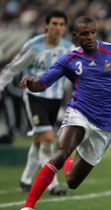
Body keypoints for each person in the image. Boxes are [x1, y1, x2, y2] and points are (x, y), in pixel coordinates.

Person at [15, 15, 111, 210]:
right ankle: (28, 206)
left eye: (92, 32)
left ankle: (70, 162)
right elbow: (42, 84)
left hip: (105, 125)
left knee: (72, 182)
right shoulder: (69, 59)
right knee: (60, 153)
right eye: (84, 33)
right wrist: (31, 83)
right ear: (75, 36)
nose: (90, 37)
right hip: (78, 112)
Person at [0, 10, 74, 195]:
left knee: (39, 140)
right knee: (48, 138)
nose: (57, 28)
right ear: (46, 26)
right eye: (54, 24)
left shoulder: (69, 48)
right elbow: (12, 68)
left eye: (61, 24)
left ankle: (26, 178)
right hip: (34, 97)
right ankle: (52, 183)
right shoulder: (34, 46)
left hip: (55, 99)